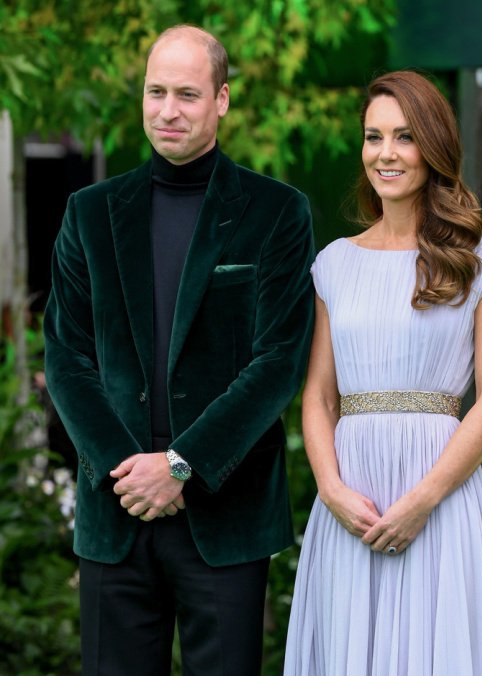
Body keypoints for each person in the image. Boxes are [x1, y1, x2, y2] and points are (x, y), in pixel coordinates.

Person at [44, 24, 315, 676]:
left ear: (221, 100)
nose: (167, 110)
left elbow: (278, 361)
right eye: (155, 91)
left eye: (187, 94)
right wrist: (126, 470)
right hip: (118, 513)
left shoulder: (276, 212)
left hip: (226, 519)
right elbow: (65, 356)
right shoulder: (89, 212)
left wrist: (183, 464)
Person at [284, 70, 482, 676]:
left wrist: (423, 500)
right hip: (349, 506)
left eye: (405, 137)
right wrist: (331, 490)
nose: (385, 154)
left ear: (435, 147)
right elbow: (317, 397)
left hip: (439, 501)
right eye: (373, 136)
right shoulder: (333, 263)